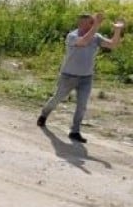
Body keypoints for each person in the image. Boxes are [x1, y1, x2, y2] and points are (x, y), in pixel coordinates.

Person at [37, 12, 124, 143]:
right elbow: (83, 42)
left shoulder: (96, 36)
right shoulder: (72, 36)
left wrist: (117, 30)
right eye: (90, 22)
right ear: (81, 23)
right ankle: (44, 114)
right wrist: (97, 25)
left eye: (92, 22)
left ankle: (75, 131)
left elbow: (112, 45)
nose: (92, 24)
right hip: (68, 76)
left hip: (86, 78)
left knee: (82, 105)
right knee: (57, 98)